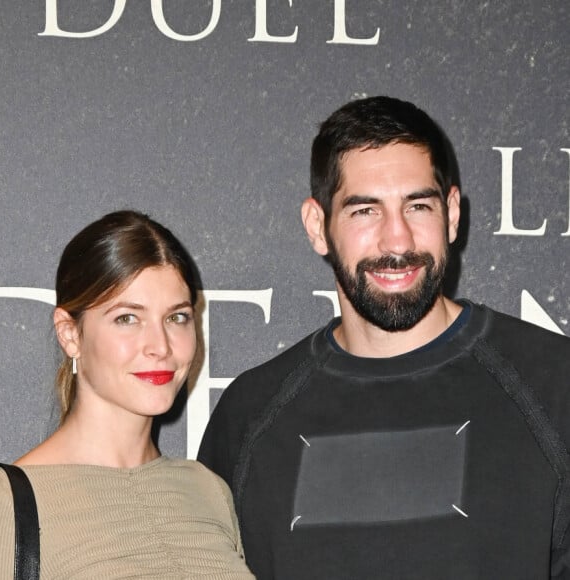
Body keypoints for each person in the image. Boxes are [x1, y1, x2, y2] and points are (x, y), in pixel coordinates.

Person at [198, 96, 570, 580]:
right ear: (318, 226)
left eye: (418, 206)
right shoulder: (248, 415)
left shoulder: (555, 386)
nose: (397, 241)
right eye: (364, 212)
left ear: (452, 214)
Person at [0, 210, 254, 579]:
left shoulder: (208, 491)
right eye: (127, 318)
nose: (160, 346)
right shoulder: (1, 507)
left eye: (176, 317)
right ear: (70, 334)